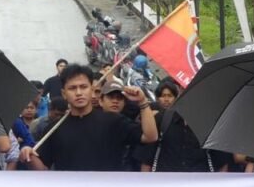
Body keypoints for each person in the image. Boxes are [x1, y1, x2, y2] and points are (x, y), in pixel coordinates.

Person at [19, 64, 158, 172]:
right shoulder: (54, 128)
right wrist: (28, 156)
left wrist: (143, 102)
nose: (78, 92)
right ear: (64, 93)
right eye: (72, 88)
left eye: (83, 87)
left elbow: (150, 137)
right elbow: (43, 169)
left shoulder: (113, 121)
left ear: (92, 89)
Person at [141, 78, 232, 173]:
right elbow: (146, 158)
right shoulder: (162, 118)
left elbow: (222, 162)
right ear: (180, 90)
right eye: (186, 88)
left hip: (200, 182)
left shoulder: (211, 123)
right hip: (166, 182)